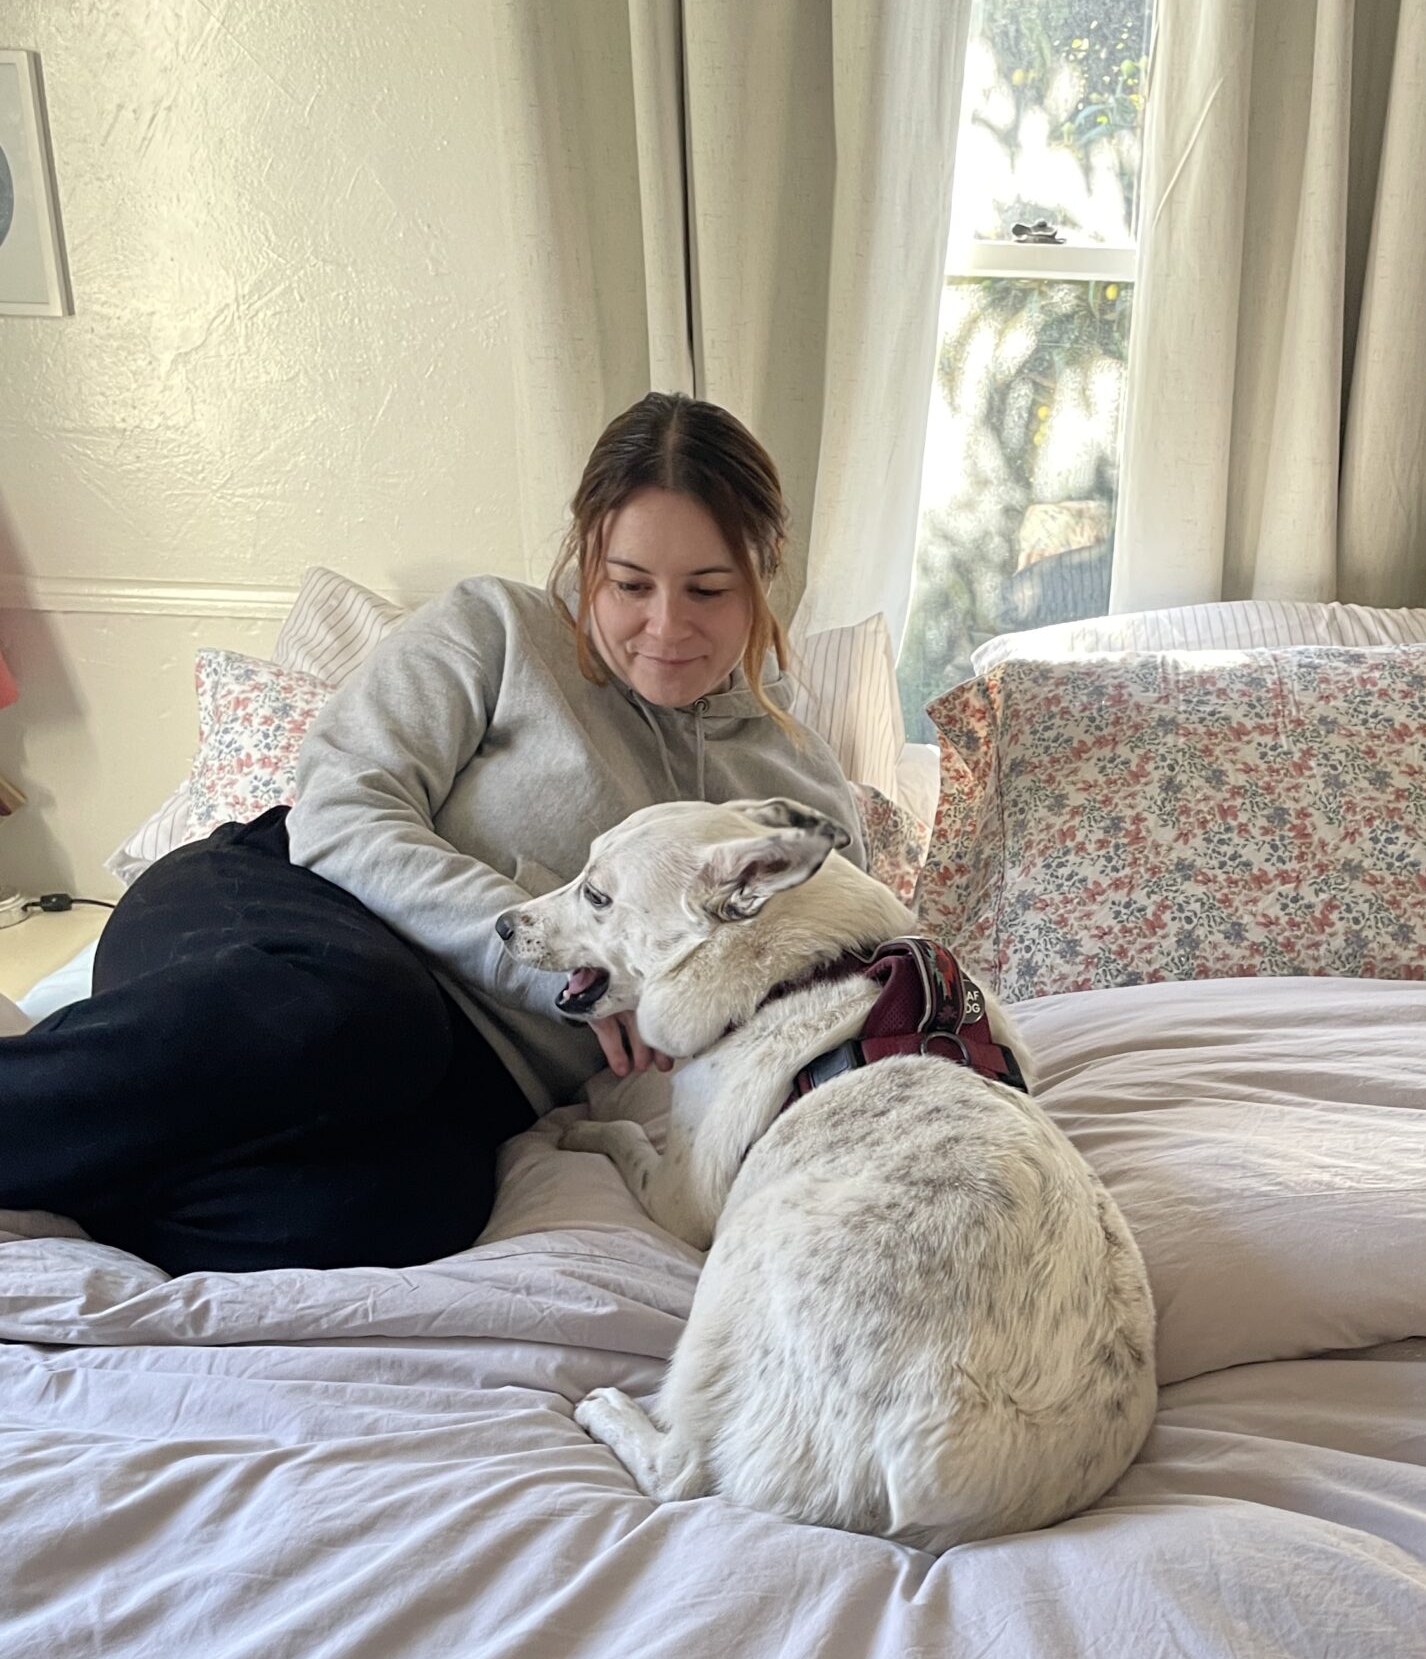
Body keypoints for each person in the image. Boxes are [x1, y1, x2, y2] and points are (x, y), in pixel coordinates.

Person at [0, 393, 865, 1276]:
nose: (667, 625)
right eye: (630, 585)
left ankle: (88, 1178)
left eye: (709, 589)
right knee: (372, 1015)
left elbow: (827, 991)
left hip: (474, 1077)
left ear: (764, 573)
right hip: (275, 929)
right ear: (586, 557)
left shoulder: (795, 798)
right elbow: (338, 809)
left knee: (399, 1211)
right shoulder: (499, 630)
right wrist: (548, 968)